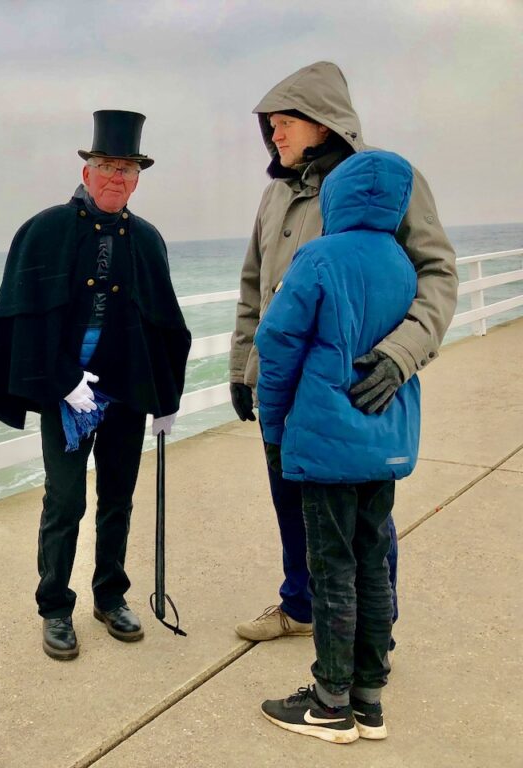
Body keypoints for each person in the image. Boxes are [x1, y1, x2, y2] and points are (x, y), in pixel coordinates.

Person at [229, 61, 458, 643]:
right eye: (270, 125)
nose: (273, 135)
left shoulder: (389, 181)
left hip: (353, 387)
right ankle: (301, 608)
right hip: (281, 389)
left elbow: (437, 273)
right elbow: (255, 287)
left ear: (324, 124)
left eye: (285, 123)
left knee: (363, 524)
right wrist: (241, 369)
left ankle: (371, 638)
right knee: (292, 506)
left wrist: (401, 354)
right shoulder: (274, 195)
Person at [0, 110, 191, 660]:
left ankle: (110, 596)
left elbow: (165, 324)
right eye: (107, 166)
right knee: (65, 501)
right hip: (65, 394)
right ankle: (55, 607)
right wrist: (63, 382)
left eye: (128, 168)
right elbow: (25, 317)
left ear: (138, 178)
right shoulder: (45, 229)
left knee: (118, 500)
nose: (117, 177)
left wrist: (166, 399)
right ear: (87, 171)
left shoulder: (147, 239)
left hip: (124, 394)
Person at [256, 150, 421, 743]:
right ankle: (369, 699)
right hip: (384, 442)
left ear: (336, 197)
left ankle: (329, 703)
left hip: (326, 441)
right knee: (373, 563)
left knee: (332, 570)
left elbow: (276, 344)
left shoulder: (318, 257)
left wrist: (273, 424)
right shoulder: (402, 263)